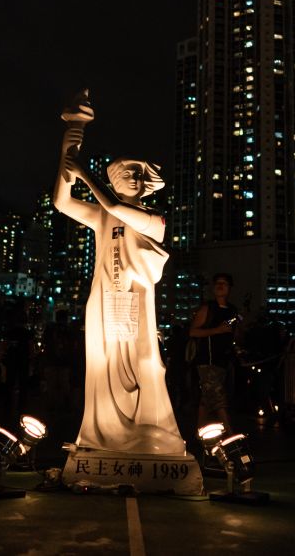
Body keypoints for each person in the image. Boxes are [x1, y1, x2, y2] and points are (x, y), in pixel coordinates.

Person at [54, 90, 184, 455]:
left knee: (141, 360)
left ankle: (146, 426)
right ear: (115, 178)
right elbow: (62, 202)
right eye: (126, 173)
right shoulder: (102, 217)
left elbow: (111, 204)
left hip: (135, 300)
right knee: (103, 364)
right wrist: (68, 148)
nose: (133, 179)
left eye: (138, 175)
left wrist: (83, 172)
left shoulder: (153, 219)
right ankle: (101, 433)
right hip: (105, 298)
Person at [189, 273, 241, 429]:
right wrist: (217, 330)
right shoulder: (207, 308)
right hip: (207, 360)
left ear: (230, 288)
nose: (220, 285)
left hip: (223, 361)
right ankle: (230, 434)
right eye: (217, 283)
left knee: (206, 398)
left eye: (224, 283)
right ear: (213, 287)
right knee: (218, 398)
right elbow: (192, 332)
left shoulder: (233, 310)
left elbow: (235, 335)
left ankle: (199, 431)